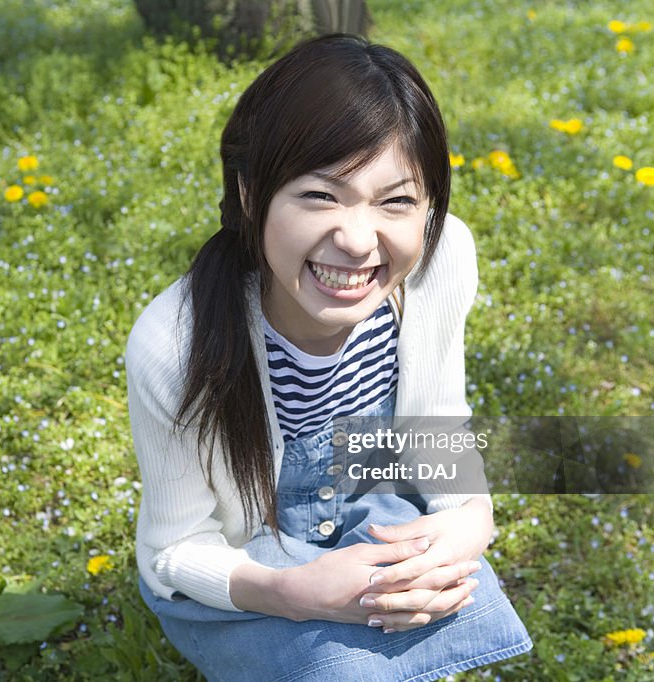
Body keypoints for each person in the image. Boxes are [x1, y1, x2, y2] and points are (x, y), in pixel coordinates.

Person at [125, 33, 532, 681]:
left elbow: (435, 427)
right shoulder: (173, 342)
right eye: (320, 195)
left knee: (451, 603)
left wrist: (469, 520)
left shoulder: (441, 256)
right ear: (250, 192)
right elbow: (174, 550)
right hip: (247, 550)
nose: (357, 239)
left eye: (396, 201)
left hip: (374, 496)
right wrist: (293, 593)